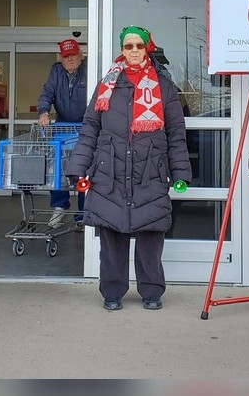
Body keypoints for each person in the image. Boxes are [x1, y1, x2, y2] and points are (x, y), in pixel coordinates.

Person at [64, 26, 192, 311]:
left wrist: (181, 173)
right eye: (127, 46)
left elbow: (176, 134)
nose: (133, 51)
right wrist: (78, 167)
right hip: (109, 172)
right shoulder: (106, 85)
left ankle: (151, 291)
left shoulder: (164, 86)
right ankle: (112, 291)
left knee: (150, 237)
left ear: (147, 48)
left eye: (138, 46)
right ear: (122, 50)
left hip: (151, 171)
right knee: (112, 238)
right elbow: (90, 131)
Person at [37, 38, 88, 232]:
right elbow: (47, 93)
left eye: (73, 55)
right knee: (56, 169)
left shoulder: (88, 69)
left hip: (85, 128)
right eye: (66, 56)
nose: (69, 59)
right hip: (62, 128)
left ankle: (83, 214)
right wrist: (43, 112)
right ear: (61, 58)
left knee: (84, 171)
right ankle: (59, 207)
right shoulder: (56, 70)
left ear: (80, 56)